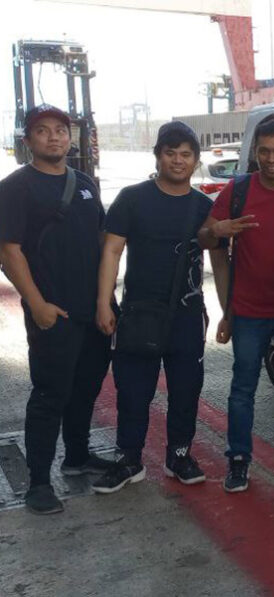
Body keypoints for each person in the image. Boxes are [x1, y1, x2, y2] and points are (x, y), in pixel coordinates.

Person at [91, 122, 224, 494]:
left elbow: (223, 260)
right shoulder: (132, 199)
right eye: (171, 153)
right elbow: (112, 251)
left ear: (195, 161)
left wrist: (227, 310)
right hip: (138, 313)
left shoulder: (203, 207)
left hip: (186, 316)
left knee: (186, 390)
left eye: (185, 155)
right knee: (133, 391)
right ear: (158, 156)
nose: (178, 161)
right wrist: (104, 303)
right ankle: (128, 459)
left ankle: (178, 455)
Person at [0, 104, 113, 514]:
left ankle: (78, 455)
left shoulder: (84, 183)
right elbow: (9, 251)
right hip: (52, 312)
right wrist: (37, 305)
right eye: (43, 131)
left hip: (92, 310)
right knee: (50, 395)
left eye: (61, 130)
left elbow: (103, 244)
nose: (54, 137)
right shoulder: (16, 187)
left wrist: (106, 301)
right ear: (28, 140)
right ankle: (38, 483)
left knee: (86, 386)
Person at [198, 120, 274, 493]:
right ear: (255, 152)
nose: (270, 159)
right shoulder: (237, 191)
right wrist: (216, 232)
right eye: (264, 151)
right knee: (242, 388)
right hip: (249, 312)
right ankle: (238, 459)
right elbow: (204, 238)